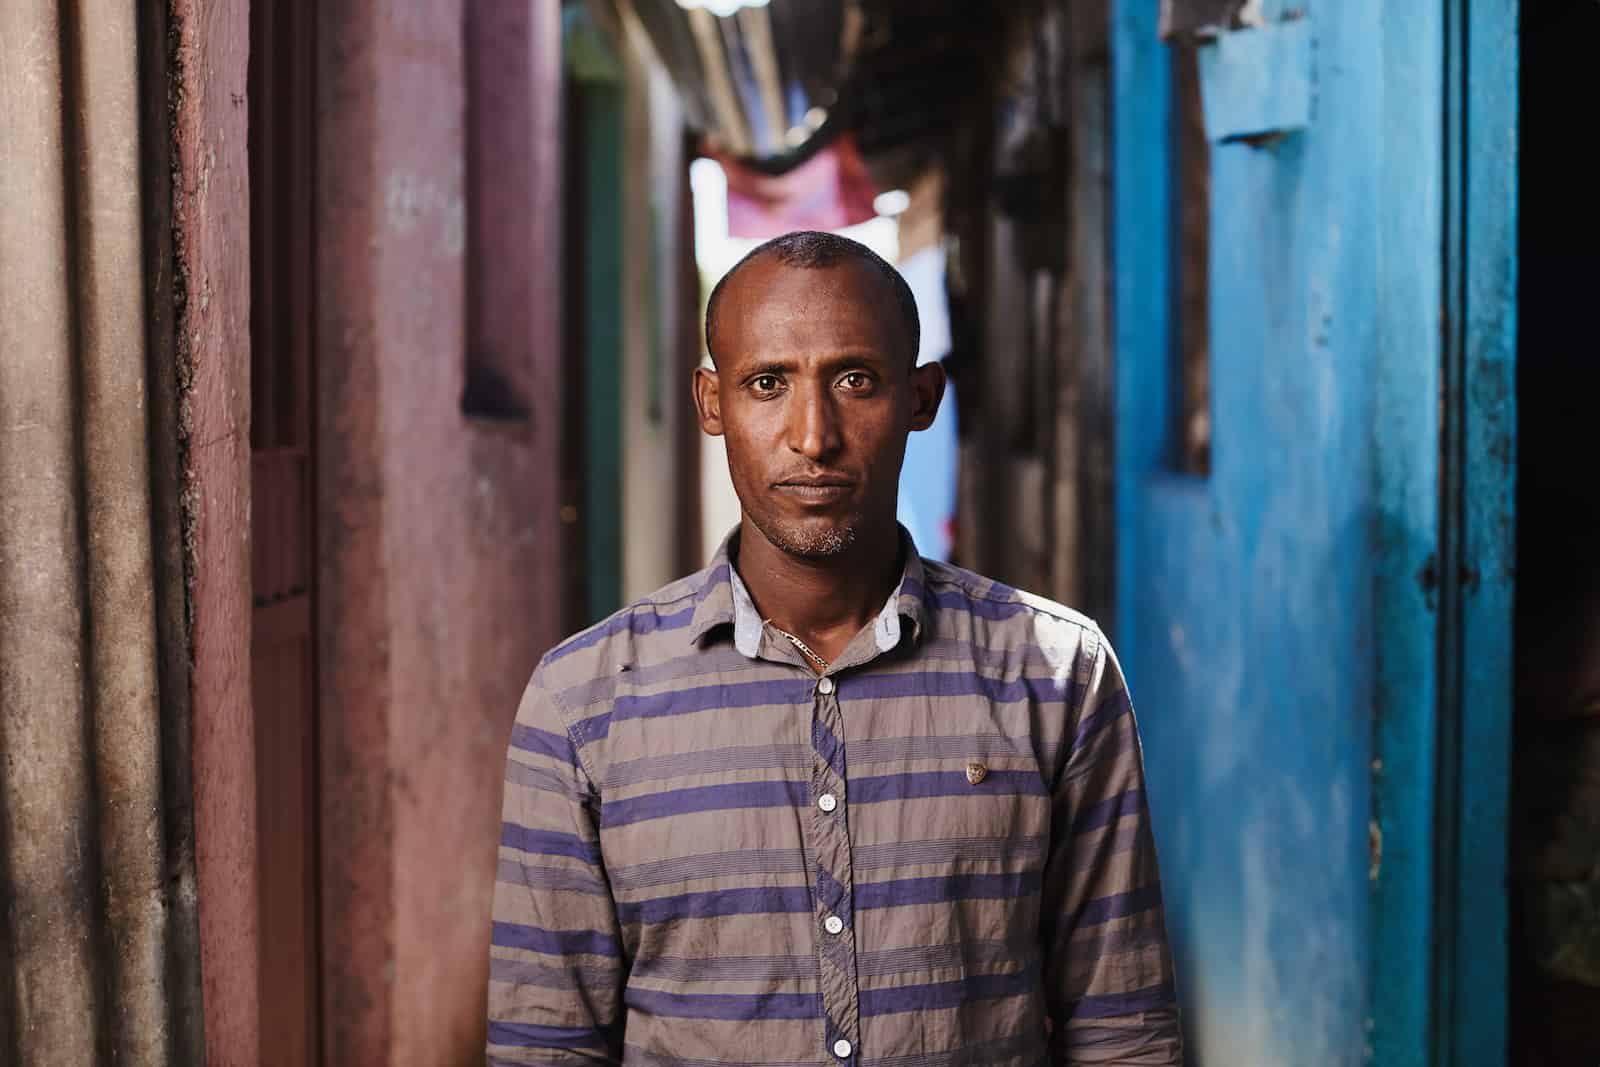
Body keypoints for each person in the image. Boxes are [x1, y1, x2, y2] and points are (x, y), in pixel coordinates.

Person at [487, 231, 1182, 1065]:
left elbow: (1123, 1027)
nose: (813, 436)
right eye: (767, 383)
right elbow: (545, 1046)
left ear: (922, 397)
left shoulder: (1057, 675)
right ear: (712, 403)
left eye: (855, 380)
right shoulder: (582, 705)